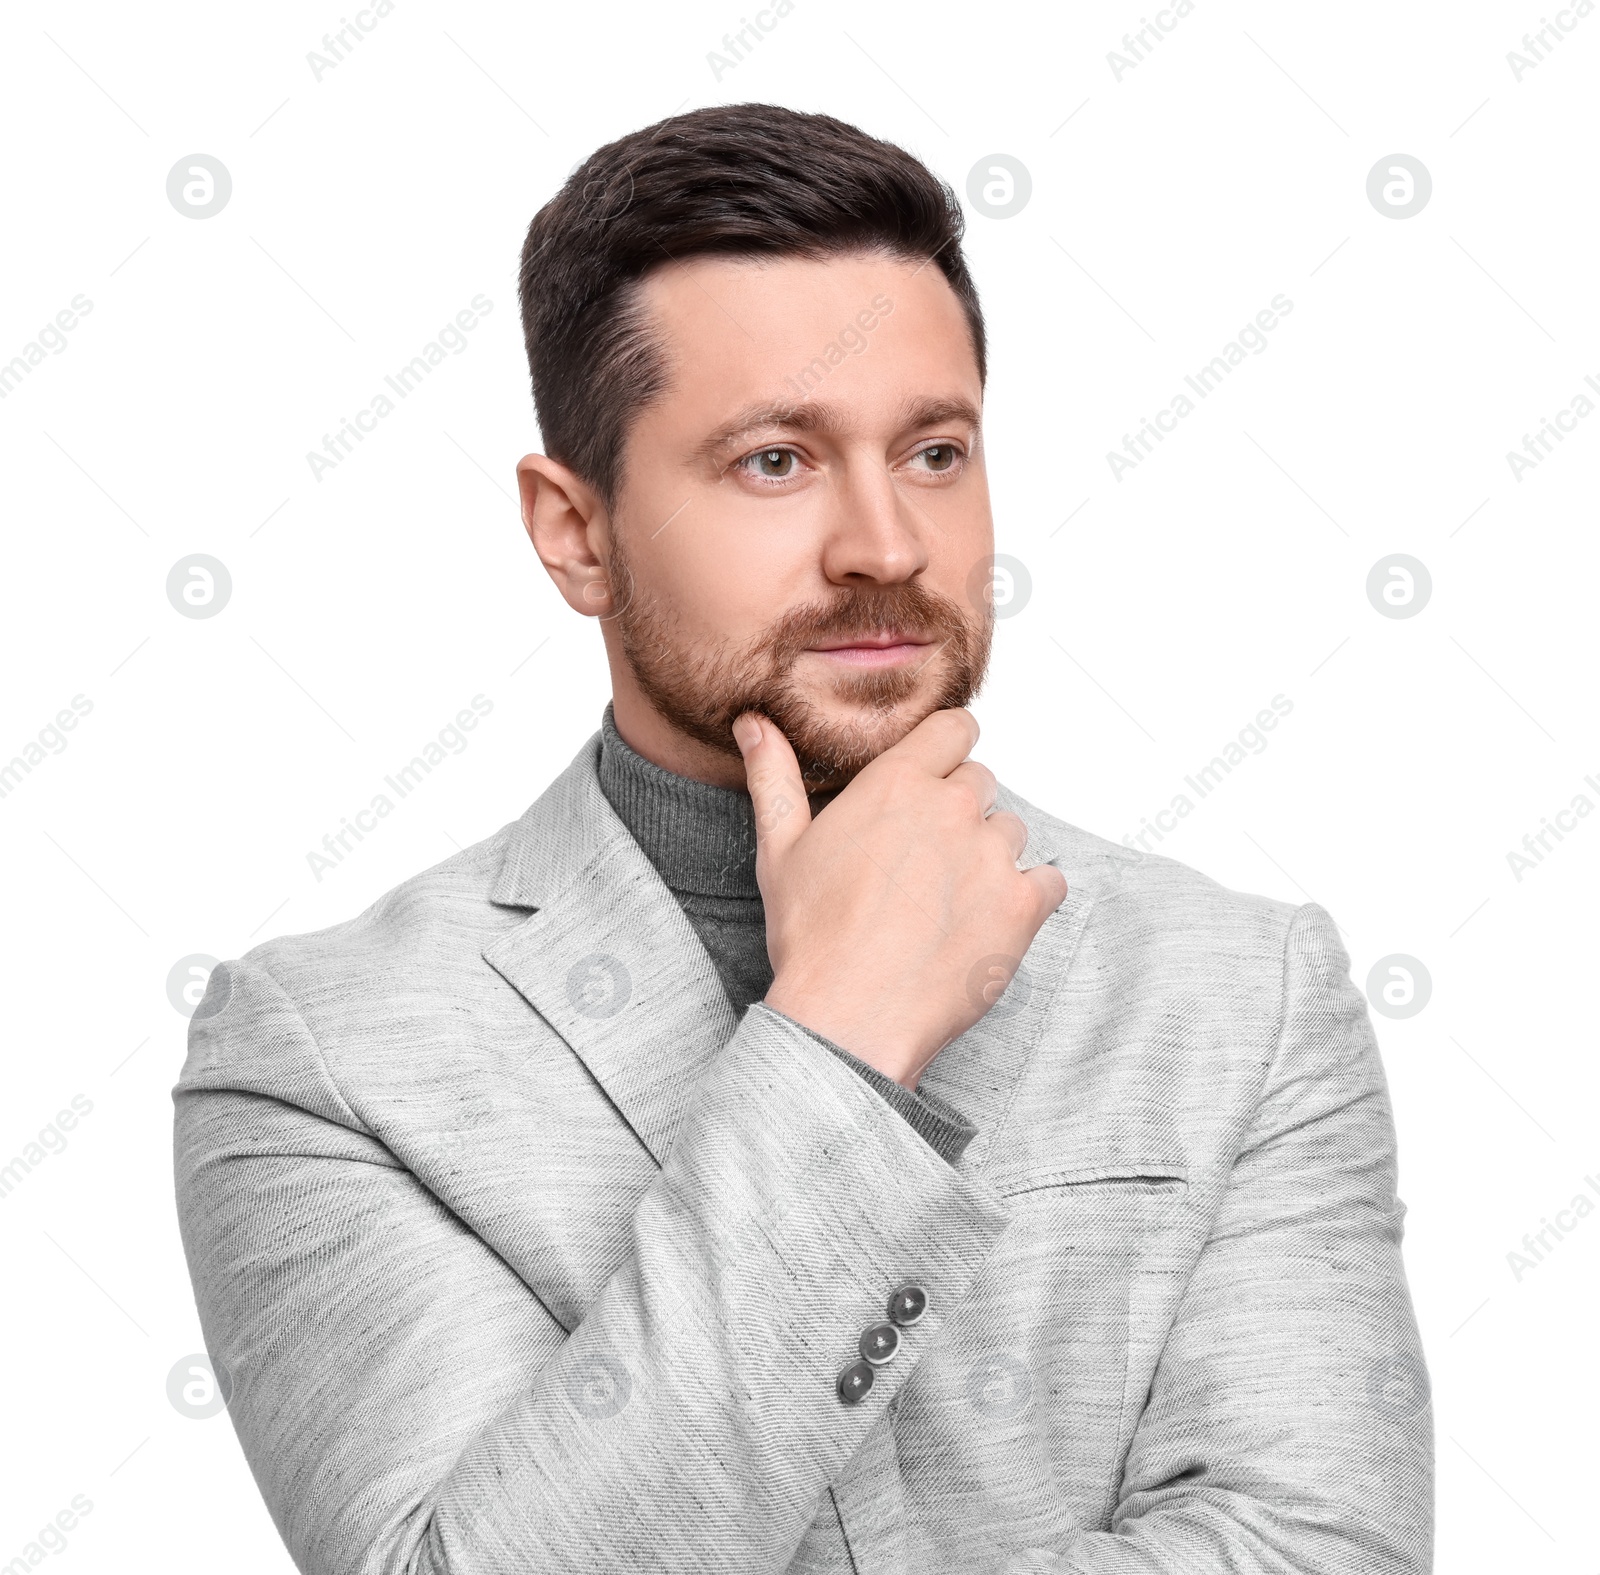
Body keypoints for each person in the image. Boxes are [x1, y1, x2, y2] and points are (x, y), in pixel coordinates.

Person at [173, 102, 1433, 1573]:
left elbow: (1317, 1554)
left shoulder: (1246, 993)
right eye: (776, 460)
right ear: (576, 532)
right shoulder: (324, 1059)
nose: (886, 545)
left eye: (936, 451)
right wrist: (837, 1040)